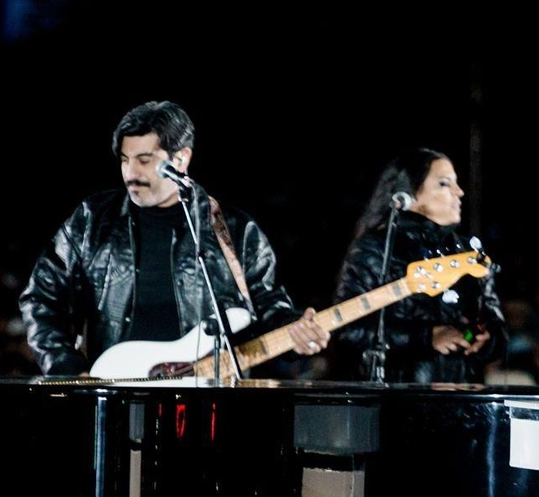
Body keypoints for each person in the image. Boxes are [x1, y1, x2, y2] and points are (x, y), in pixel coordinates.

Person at [20, 101, 328, 376]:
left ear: (180, 159)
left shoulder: (234, 231)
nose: (130, 173)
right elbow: (40, 297)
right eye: (125, 160)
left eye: (143, 159)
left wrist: (295, 330)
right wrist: (66, 367)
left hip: (208, 406)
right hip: (115, 397)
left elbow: (268, 306)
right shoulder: (93, 220)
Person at [331, 148, 503, 383]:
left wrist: (488, 338)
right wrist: (426, 337)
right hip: (395, 396)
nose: (459, 192)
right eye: (444, 184)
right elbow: (347, 331)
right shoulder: (376, 249)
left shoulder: (468, 254)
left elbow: (495, 323)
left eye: (457, 184)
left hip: (460, 395)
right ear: (409, 194)